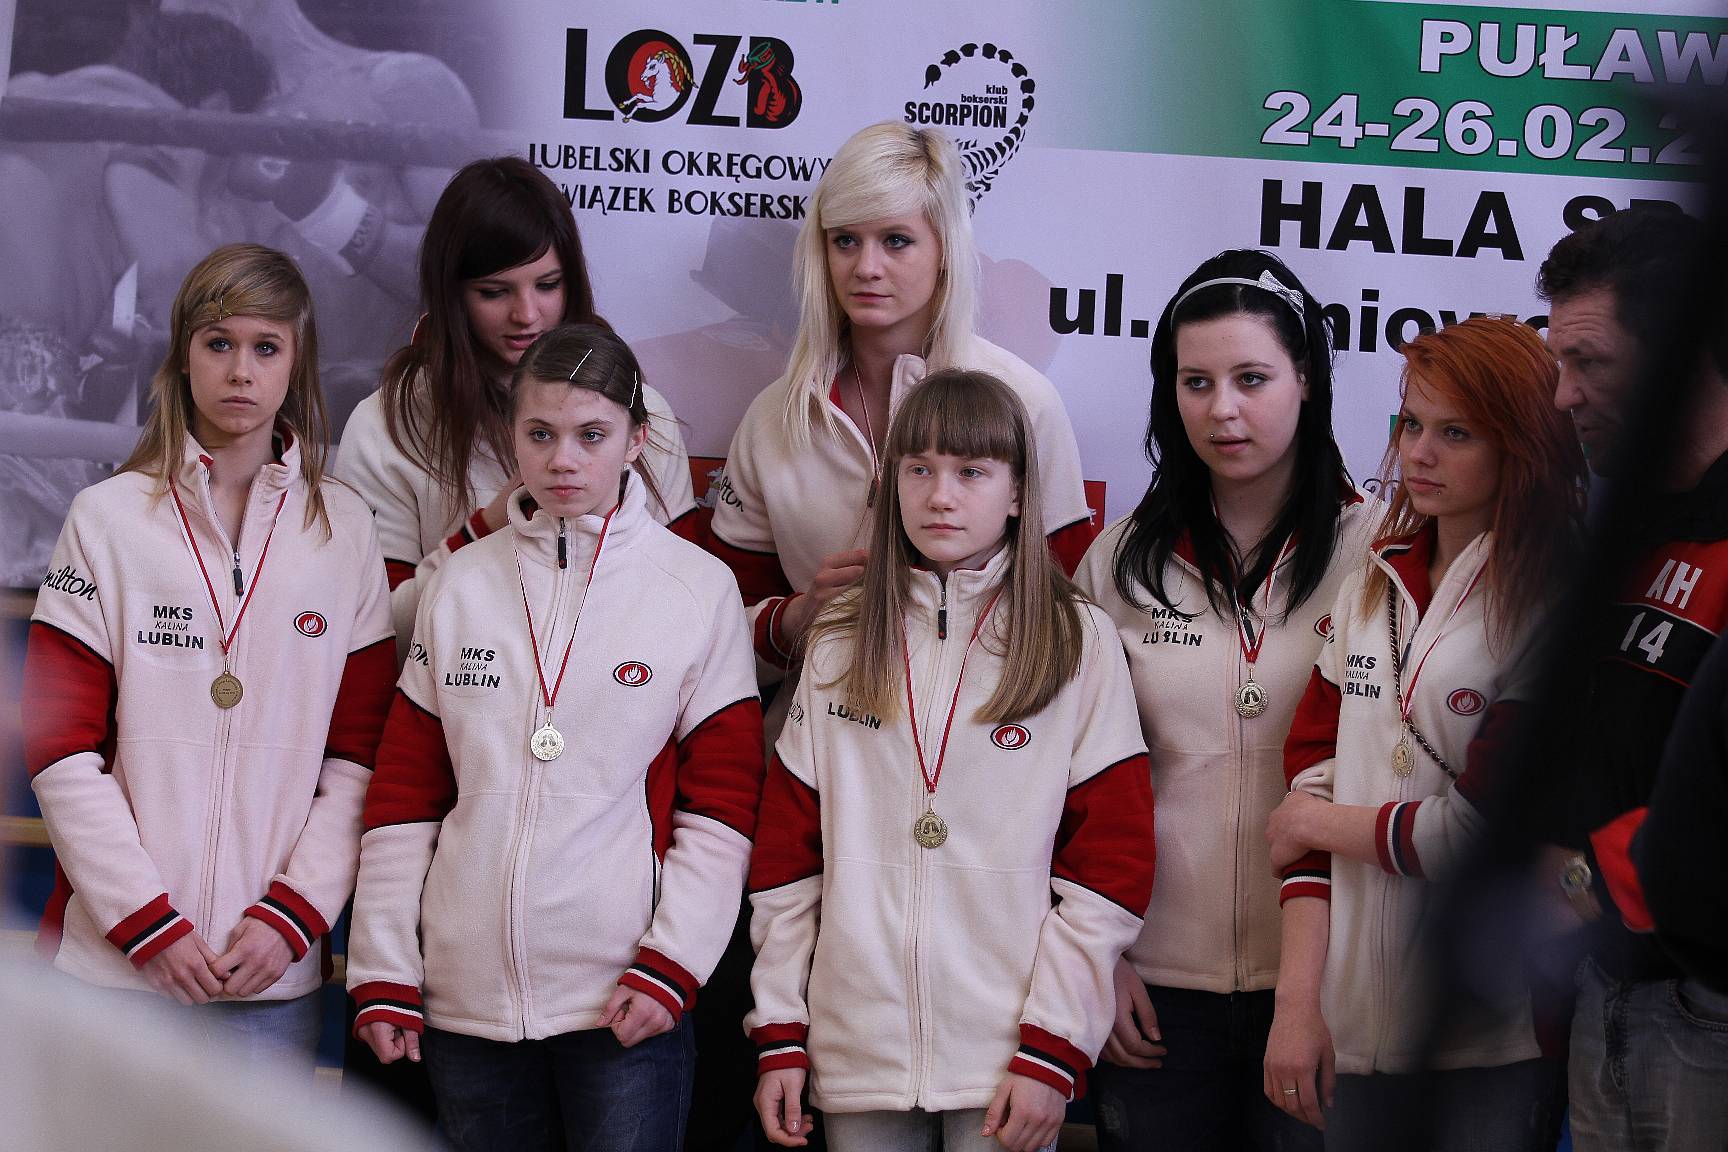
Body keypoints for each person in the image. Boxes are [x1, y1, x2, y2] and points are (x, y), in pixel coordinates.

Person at [345, 323, 763, 1151]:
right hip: (463, 1002)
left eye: (591, 435)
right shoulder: (460, 583)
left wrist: (673, 963)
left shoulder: (697, 589)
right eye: (540, 434)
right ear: (513, 439)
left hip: (625, 1000)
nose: (563, 459)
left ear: (636, 440)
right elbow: (404, 796)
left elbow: (722, 807)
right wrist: (384, 964)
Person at [746, 369, 1154, 1152]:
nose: (941, 496)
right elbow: (786, 864)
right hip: (856, 1046)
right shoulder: (839, 636)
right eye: (919, 469)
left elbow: (1111, 865)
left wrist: (1053, 1046)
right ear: (891, 485)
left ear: (1017, 492)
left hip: (1010, 1055)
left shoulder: (1077, 639)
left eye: (971, 472)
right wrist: (780, 1030)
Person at [21, 243, 396, 1067]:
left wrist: (294, 917)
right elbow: (59, 747)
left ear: (296, 364)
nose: (240, 371)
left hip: (268, 976)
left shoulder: (344, 529)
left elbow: (359, 759)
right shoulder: (107, 519)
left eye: (266, 347)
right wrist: (145, 923)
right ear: (183, 355)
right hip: (117, 973)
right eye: (218, 343)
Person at [1074, 251, 1372, 1152]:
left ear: (1306, 379)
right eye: (1195, 382)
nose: (1222, 410)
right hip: (1155, 994)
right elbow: (1061, 775)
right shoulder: (1118, 561)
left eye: (1252, 378)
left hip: (1327, 986)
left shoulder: (1381, 552)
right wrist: (1100, 953)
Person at [1262, 317, 1584, 1149]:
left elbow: (1484, 837)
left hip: (1493, 1040)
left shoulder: (1553, 602)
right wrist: (1298, 1005)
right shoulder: (1372, 581)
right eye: (1411, 424)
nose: (1420, 453)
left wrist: (1319, 824)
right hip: (1349, 1034)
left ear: (1521, 445)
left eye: (1456, 433)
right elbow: (1309, 781)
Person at [708, 121, 1092, 694]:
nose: (866, 267)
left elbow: (1071, 612)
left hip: (987, 722)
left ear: (945, 250)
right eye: (845, 240)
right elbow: (716, 628)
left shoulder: (1025, 401)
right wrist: (798, 618)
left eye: (896, 240)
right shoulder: (773, 419)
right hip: (817, 721)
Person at [1536, 204, 1728, 1152]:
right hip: (1605, 988)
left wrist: (1580, 877)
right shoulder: (1616, 529)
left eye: (1590, 363)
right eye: (1558, 362)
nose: (1562, 396)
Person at [335, 156, 697, 651]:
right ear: (451, 294)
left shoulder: (641, 410)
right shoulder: (386, 426)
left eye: (547, 285)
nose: (526, 314)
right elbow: (377, 639)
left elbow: (689, 613)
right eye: (494, 292)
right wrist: (489, 527)